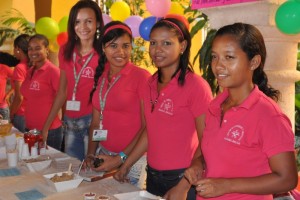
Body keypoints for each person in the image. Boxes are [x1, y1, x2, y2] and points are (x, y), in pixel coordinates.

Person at [186, 23, 298, 200]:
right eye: (215, 57)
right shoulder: (216, 106)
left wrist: (227, 185)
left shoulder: (268, 115)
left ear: (254, 62)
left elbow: (287, 179)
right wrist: (197, 164)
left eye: (229, 57)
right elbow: (207, 150)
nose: (218, 66)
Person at [114, 18, 213, 199]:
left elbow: (207, 142)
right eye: (153, 43)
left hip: (183, 178)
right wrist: (126, 165)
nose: (157, 49)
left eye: (166, 43)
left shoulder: (196, 86)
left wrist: (183, 186)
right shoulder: (149, 84)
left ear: (182, 46)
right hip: (153, 176)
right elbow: (150, 131)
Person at [84, 21, 150, 186]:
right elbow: (95, 122)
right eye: (113, 46)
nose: (120, 52)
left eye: (126, 46)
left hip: (132, 160)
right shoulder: (101, 76)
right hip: (104, 154)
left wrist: (119, 159)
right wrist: (91, 154)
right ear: (103, 49)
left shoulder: (142, 77)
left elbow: (146, 126)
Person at [41, 0, 104, 160]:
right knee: (73, 171)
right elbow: (62, 91)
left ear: (97, 23)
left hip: (93, 123)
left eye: (88, 21)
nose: (82, 27)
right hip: (69, 123)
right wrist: (46, 126)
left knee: (93, 173)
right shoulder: (65, 50)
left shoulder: (104, 53)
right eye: (77, 22)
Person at [21, 34, 63, 151]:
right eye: (30, 48)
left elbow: (61, 99)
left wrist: (45, 129)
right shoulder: (30, 71)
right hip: (30, 129)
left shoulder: (53, 71)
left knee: (51, 167)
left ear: (46, 50)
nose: (33, 51)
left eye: (38, 48)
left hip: (49, 131)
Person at [10, 34, 30, 132]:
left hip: (22, 114)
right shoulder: (35, 65)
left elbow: (19, 97)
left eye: (14, 48)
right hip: (34, 113)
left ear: (18, 49)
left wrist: (11, 113)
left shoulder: (20, 68)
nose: (13, 51)